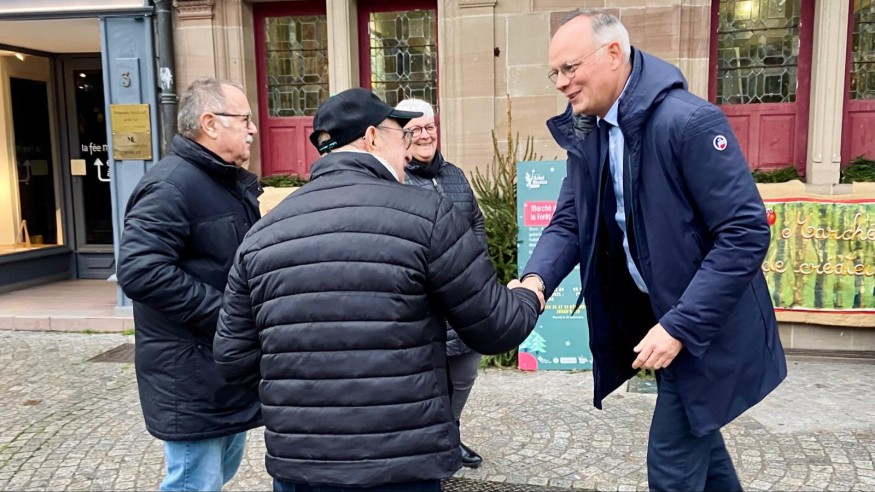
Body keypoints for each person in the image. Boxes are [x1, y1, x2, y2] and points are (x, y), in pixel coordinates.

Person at [213, 87, 545, 492]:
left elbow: (233, 357)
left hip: (302, 464)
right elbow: (496, 327)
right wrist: (529, 293)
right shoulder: (428, 217)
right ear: (372, 137)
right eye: (401, 135)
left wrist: (300, 400)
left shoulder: (262, 234)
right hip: (400, 464)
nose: (407, 149)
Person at [518, 9, 787, 491]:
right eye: (553, 72)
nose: (560, 83)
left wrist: (680, 325)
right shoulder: (591, 130)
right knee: (703, 450)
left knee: (671, 468)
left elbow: (745, 232)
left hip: (704, 329)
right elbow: (571, 220)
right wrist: (534, 282)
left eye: (569, 68)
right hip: (662, 323)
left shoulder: (690, 122)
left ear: (613, 54)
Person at [117, 77, 263, 491]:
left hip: (221, 368)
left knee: (215, 475)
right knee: (193, 483)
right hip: (190, 372)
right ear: (210, 123)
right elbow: (140, 270)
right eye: (244, 119)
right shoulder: (172, 184)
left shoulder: (223, 182)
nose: (252, 129)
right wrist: (227, 314)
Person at [396, 98, 485, 469]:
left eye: (429, 126)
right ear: (401, 136)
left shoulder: (455, 175)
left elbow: (475, 221)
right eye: (414, 129)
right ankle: (426, 445)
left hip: (463, 298)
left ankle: (451, 433)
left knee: (465, 372)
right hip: (424, 302)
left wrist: (477, 268)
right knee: (426, 380)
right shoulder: (396, 179)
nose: (424, 135)